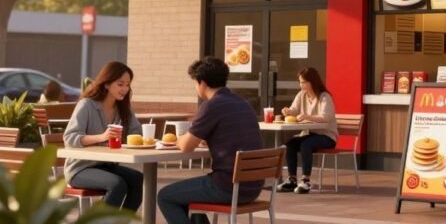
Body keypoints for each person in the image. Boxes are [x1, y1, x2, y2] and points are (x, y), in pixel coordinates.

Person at [157, 57, 263, 224]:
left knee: (165, 196)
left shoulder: (212, 105)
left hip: (228, 186)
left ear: (202, 83)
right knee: (188, 197)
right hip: (254, 186)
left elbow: (185, 147)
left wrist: (179, 139)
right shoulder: (243, 102)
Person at [63, 61, 143, 211]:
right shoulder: (87, 105)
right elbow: (69, 137)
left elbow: (136, 132)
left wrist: (132, 139)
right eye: (120, 84)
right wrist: (102, 137)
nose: (125, 89)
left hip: (106, 166)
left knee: (137, 178)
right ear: (106, 84)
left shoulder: (123, 108)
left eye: (127, 85)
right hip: (80, 169)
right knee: (117, 184)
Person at [277, 67, 338, 194]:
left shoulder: (324, 97)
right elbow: (294, 109)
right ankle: (292, 179)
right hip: (309, 134)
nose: (301, 85)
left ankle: (306, 180)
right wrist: (288, 111)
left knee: (306, 144)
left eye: (304, 82)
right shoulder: (301, 95)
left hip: (326, 136)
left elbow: (326, 117)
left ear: (312, 82)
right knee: (290, 144)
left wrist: (307, 117)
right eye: (300, 82)